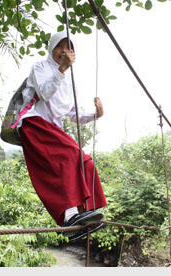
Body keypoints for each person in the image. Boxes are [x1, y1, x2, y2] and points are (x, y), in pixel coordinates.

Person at [17, 31, 107, 241]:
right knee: (69, 155)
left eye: (69, 48)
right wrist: (63, 68)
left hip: (52, 127)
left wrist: (96, 114)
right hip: (32, 122)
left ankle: (85, 215)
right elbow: (45, 93)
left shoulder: (69, 80)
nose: (64, 51)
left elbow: (73, 114)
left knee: (86, 163)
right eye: (60, 46)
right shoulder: (39, 68)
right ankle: (70, 216)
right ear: (52, 47)